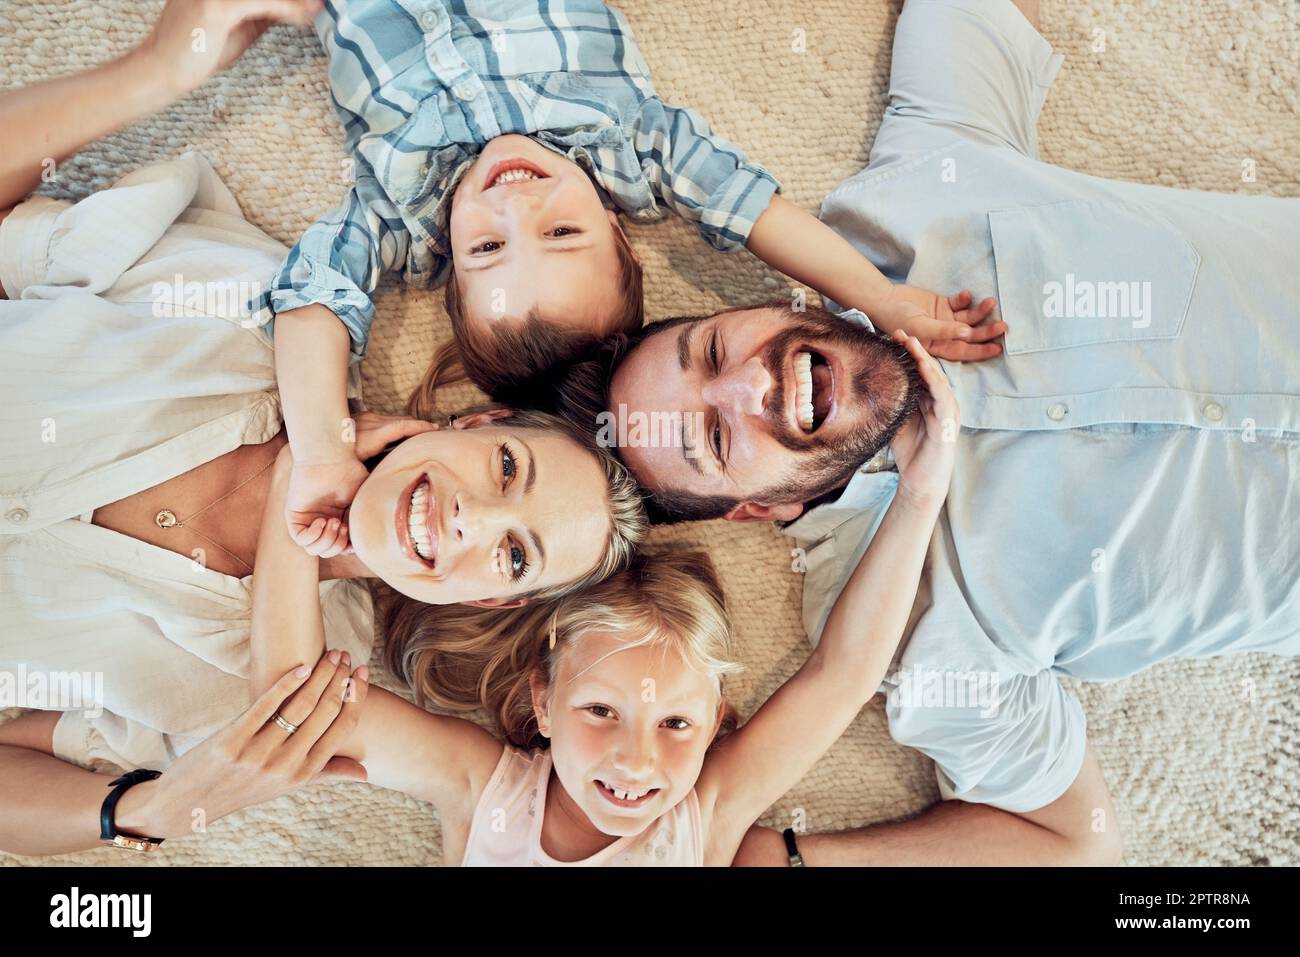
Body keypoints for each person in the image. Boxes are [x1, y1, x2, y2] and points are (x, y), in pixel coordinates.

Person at [554, 0, 1300, 864]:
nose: (754, 382)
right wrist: (793, 861)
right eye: (715, 440)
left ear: (757, 303)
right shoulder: (900, 635)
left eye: (716, 349)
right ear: (751, 512)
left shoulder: (915, 200)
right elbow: (1071, 844)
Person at [0, 0, 645, 853]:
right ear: (470, 420)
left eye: (514, 552)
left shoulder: (271, 698)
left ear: (489, 596)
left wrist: (143, 811)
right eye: (504, 469)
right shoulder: (245, 309)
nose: (471, 518)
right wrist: (156, 68)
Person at [270, 0, 1002, 559]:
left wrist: (321, 452)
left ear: (446, 271)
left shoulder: (399, 213)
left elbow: (313, 298)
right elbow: (748, 209)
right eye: (561, 234)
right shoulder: (628, 148)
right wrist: (876, 294)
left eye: (487, 248)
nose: (516, 202)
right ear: (620, 230)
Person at [232, 335, 957, 865]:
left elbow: (842, 674)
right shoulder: (485, 789)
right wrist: (303, 469)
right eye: (600, 710)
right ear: (541, 700)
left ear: (715, 729)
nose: (635, 759)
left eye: (677, 721)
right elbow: (298, 711)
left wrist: (920, 492)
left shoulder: (703, 811)